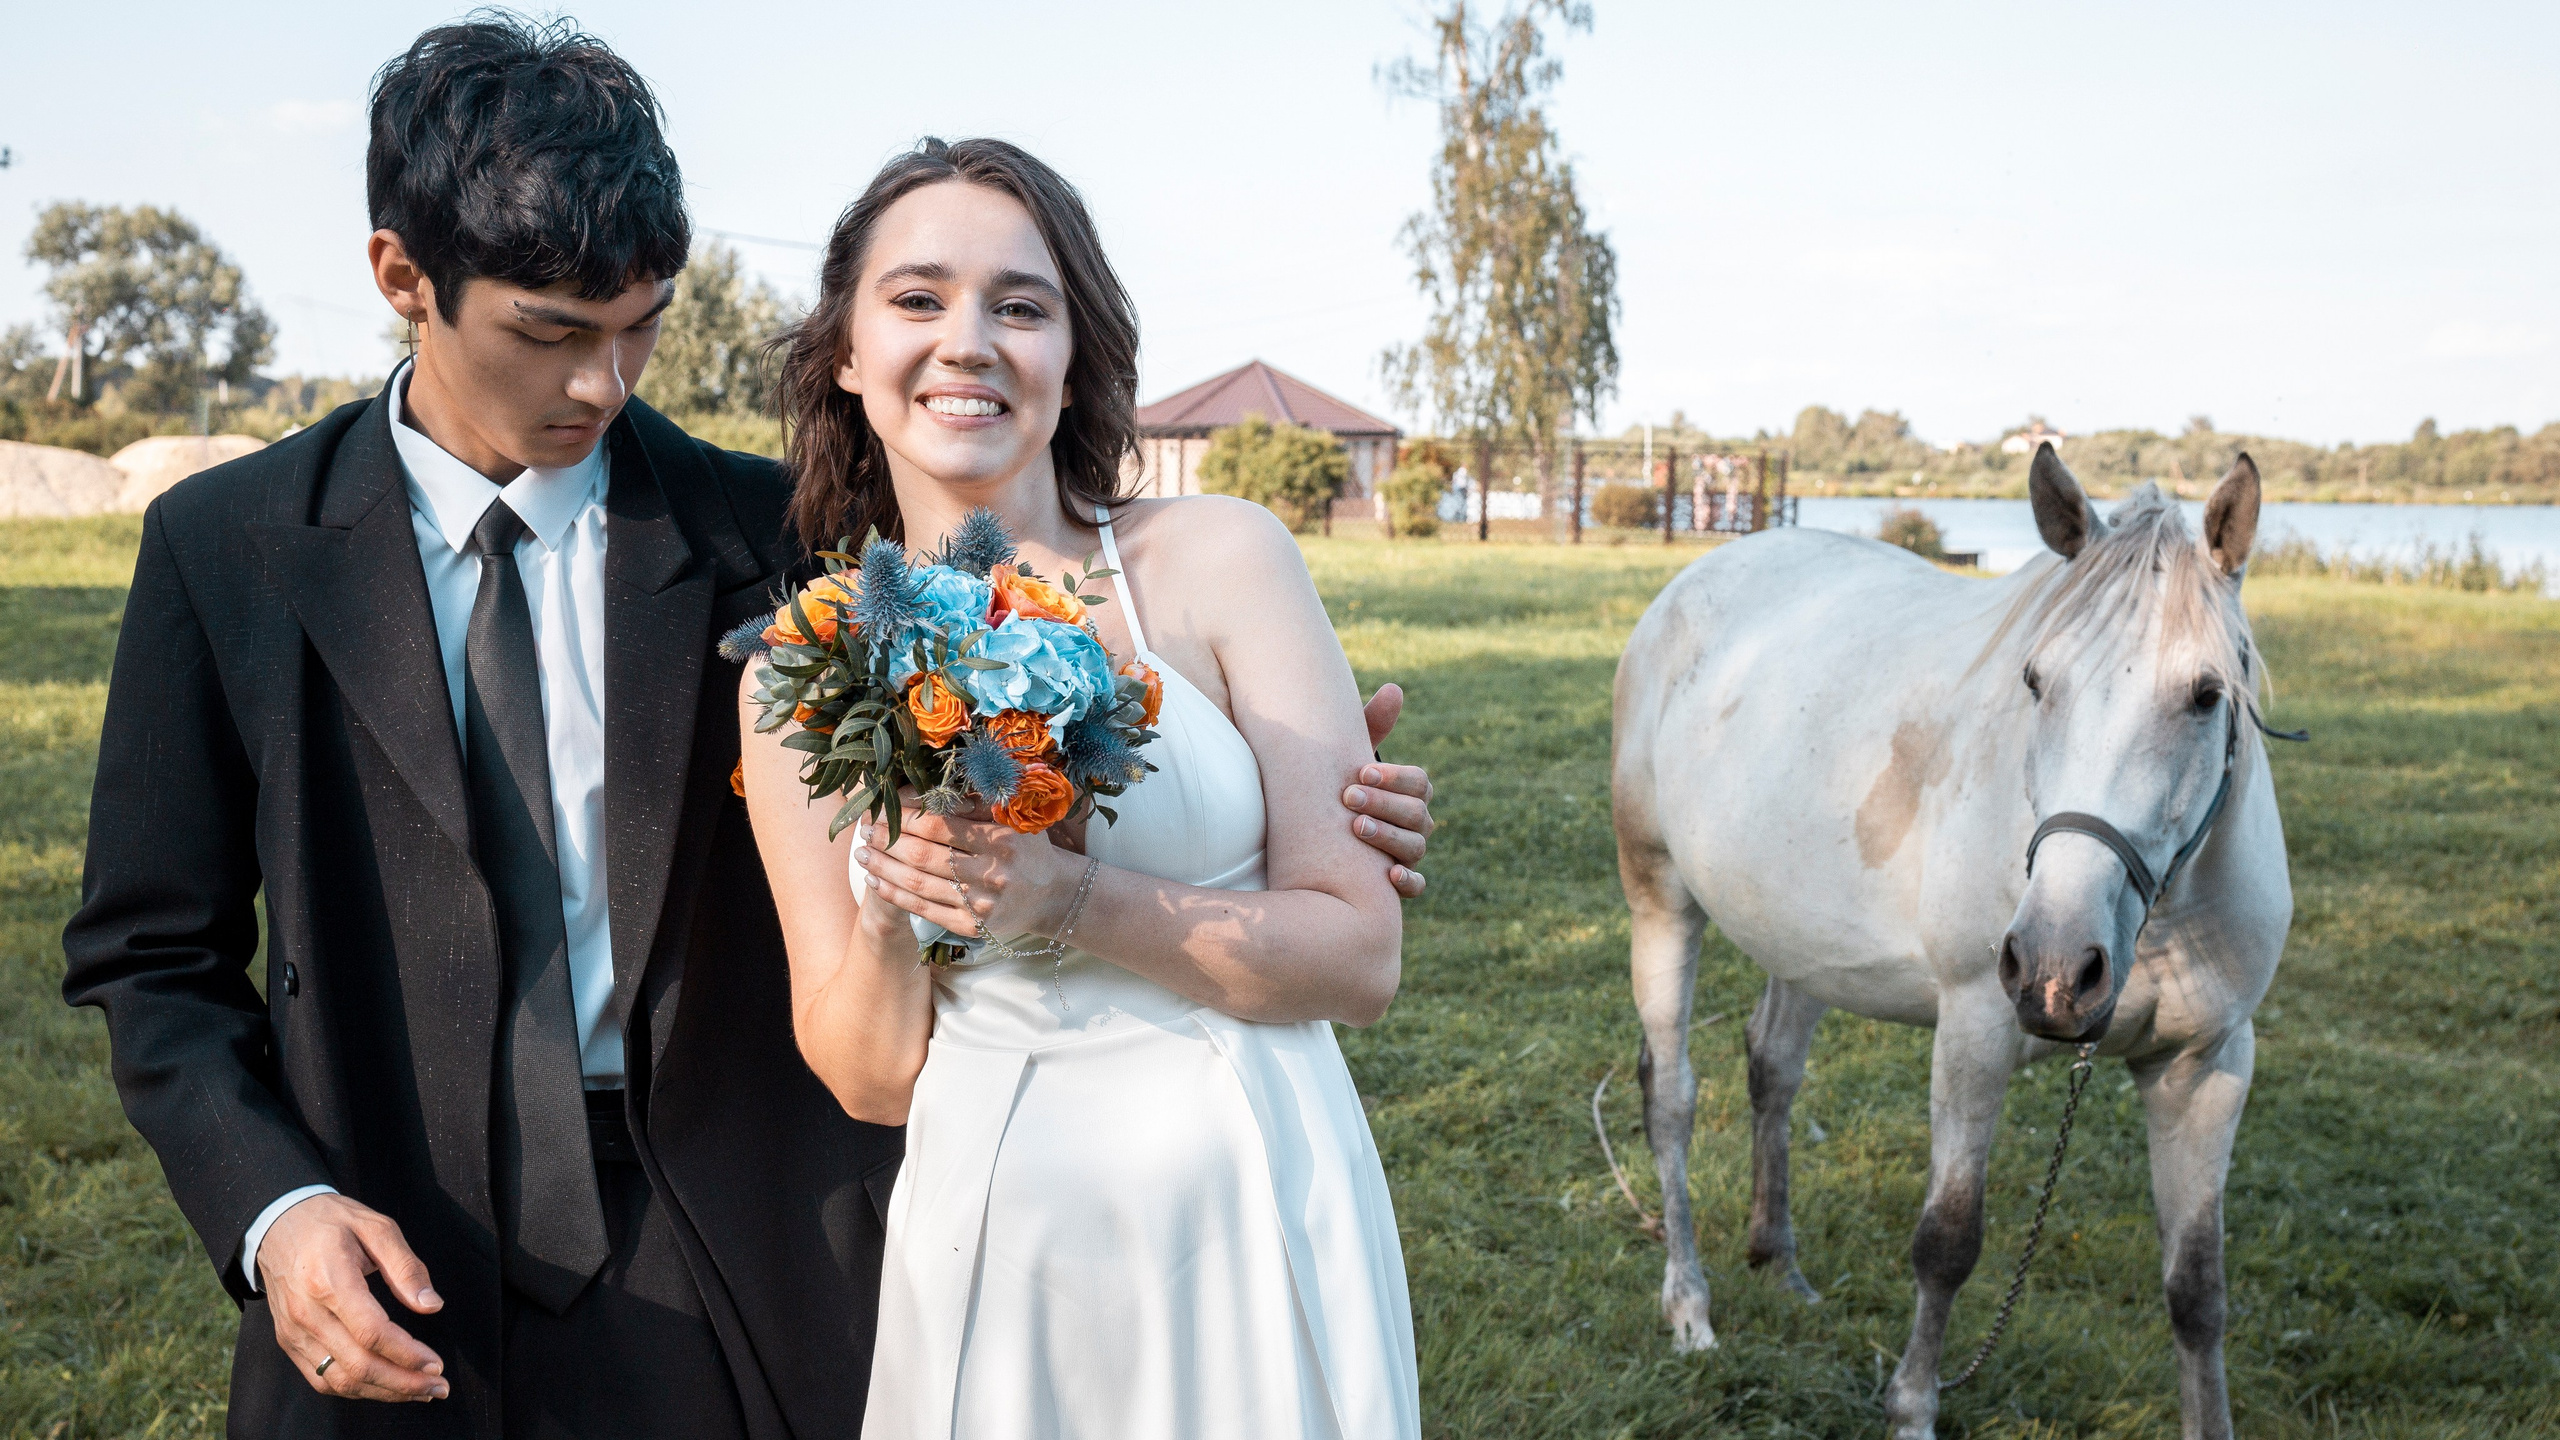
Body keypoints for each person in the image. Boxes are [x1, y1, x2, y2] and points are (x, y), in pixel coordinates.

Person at [61, 18, 1437, 1439]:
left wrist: (1308, 784)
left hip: (744, 1258)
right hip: (383, 1252)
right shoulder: (223, 549)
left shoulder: (797, 548)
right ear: (403, 276)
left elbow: (1038, 657)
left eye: (641, 324)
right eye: (550, 333)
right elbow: (147, 953)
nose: (604, 383)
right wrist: (276, 1210)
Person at [741, 138, 1423, 1440]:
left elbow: (1360, 955)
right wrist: (893, 906)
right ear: (846, 351)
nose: (969, 341)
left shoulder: (1221, 558)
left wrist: (1063, 900)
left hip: (1250, 1184)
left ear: (1075, 349)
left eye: (1020, 305)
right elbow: (872, 1080)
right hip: (1001, 1228)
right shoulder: (800, 674)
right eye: (919, 298)